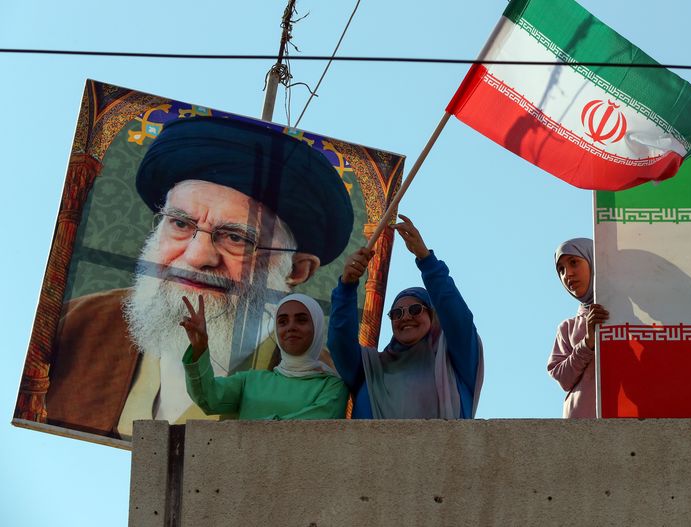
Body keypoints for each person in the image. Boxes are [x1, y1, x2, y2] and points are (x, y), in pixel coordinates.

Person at [45, 116, 354, 438]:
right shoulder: (75, 323)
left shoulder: (328, 385)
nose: (197, 256)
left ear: (297, 270)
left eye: (236, 238)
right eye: (180, 224)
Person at [327, 215, 483, 418]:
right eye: (397, 313)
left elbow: (457, 316)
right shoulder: (370, 369)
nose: (406, 317)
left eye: (416, 310)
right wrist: (347, 286)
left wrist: (427, 261)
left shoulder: (455, 362)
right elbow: (339, 340)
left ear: (433, 316)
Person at [179, 293, 348, 420]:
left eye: (301, 320)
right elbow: (209, 398)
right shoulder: (250, 381)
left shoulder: (332, 387)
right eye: (282, 322)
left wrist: (246, 429)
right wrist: (199, 349)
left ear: (317, 327)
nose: (291, 327)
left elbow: (307, 431)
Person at [547, 238, 609, 418]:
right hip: (580, 430)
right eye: (561, 270)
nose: (568, 275)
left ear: (594, 261)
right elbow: (563, 377)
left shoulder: (627, 315)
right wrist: (588, 342)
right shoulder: (567, 328)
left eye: (574, 263)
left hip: (627, 424)